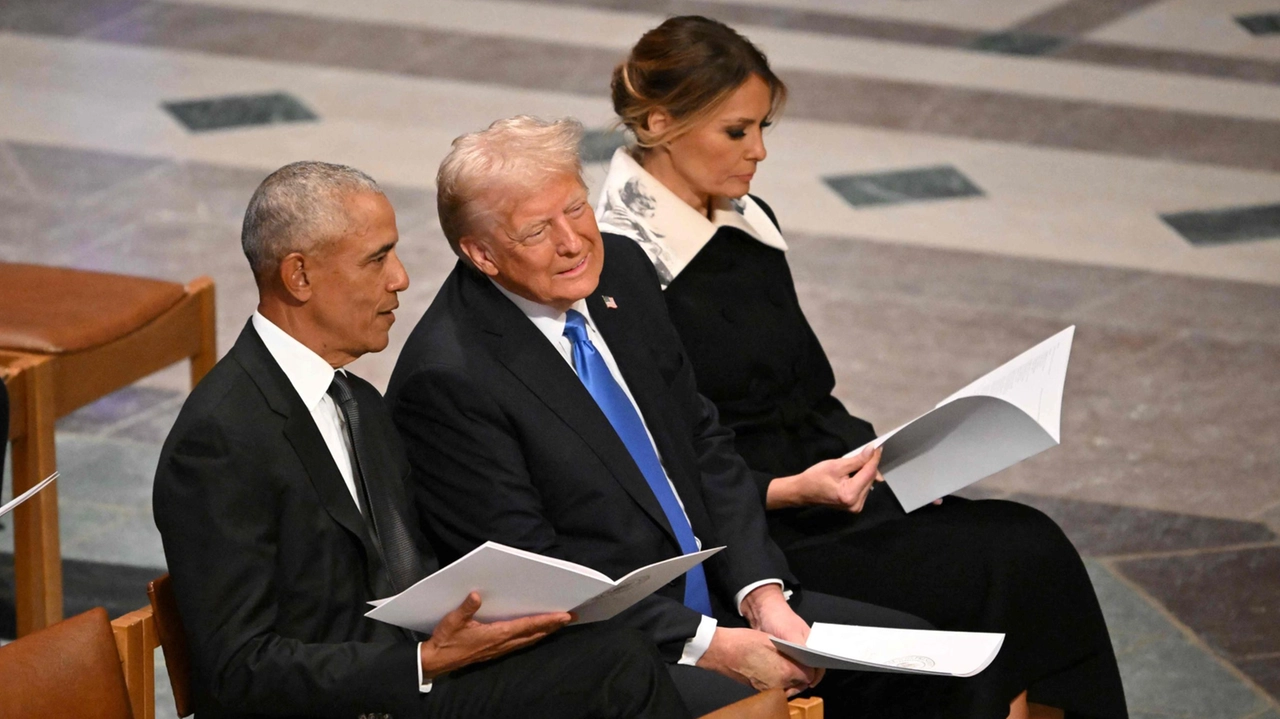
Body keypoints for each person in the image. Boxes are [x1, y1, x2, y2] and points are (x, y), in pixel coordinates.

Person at [595, 15, 1128, 719]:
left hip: (830, 491)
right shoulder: (614, 262)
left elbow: (802, 389)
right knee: (990, 572)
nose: (758, 151)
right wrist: (789, 490)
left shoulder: (748, 218)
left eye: (763, 129)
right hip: (753, 533)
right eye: (736, 131)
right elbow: (660, 461)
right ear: (660, 122)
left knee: (1032, 545)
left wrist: (896, 460)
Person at [386, 116, 949, 718]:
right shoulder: (449, 379)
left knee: (930, 672)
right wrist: (712, 645)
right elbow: (535, 581)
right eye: (536, 232)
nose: (574, 241)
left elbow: (702, 442)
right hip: (617, 644)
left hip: (726, 597)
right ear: (482, 253)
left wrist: (763, 594)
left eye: (576, 209)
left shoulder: (622, 270)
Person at [152, 161, 690, 719]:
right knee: (616, 674)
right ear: (300, 277)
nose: (401, 279)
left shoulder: (358, 401)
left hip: (412, 684)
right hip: (349, 702)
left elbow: (406, 569)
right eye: (376, 258)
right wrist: (420, 665)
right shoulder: (220, 439)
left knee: (615, 655)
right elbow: (237, 670)